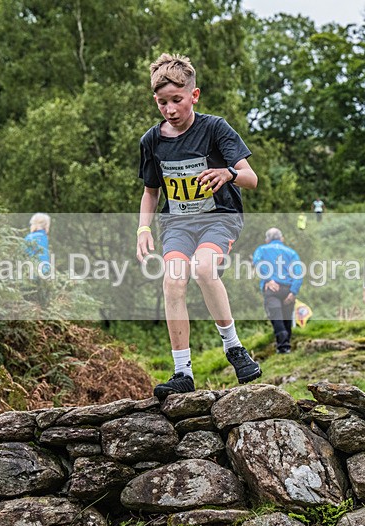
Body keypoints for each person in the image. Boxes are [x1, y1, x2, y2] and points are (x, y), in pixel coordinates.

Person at [137, 53, 261, 400]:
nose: (170, 109)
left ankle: (234, 348)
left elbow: (251, 178)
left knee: (204, 270)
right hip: (177, 224)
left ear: (194, 95)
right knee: (173, 280)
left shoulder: (215, 128)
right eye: (162, 103)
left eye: (177, 100)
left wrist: (228, 173)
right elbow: (150, 192)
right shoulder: (151, 141)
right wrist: (143, 230)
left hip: (219, 218)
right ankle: (182, 372)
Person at [253, 228, 304, 354]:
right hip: (288, 288)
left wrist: (268, 279)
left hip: (272, 288)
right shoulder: (291, 253)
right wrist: (293, 291)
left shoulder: (261, 250)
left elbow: (257, 263)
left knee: (276, 317)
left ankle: (283, 347)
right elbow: (298, 272)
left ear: (267, 240)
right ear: (282, 239)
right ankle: (287, 346)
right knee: (287, 318)